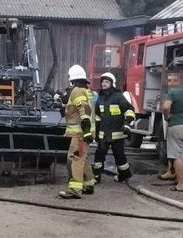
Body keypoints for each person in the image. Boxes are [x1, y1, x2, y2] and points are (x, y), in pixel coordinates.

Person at [58, 64, 96, 199]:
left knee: (75, 158)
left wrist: (85, 132)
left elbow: (84, 111)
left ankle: (75, 189)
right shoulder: (86, 91)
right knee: (82, 158)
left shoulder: (77, 91)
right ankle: (89, 183)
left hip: (79, 135)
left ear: (71, 79)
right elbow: (75, 108)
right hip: (83, 134)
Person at [92, 72, 136, 183]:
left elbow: (129, 110)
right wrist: (96, 133)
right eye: (103, 82)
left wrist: (127, 124)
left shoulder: (118, 97)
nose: (104, 84)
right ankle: (96, 176)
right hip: (103, 134)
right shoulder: (100, 98)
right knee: (99, 157)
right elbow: (97, 116)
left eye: (107, 82)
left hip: (117, 134)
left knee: (120, 156)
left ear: (112, 84)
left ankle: (124, 175)